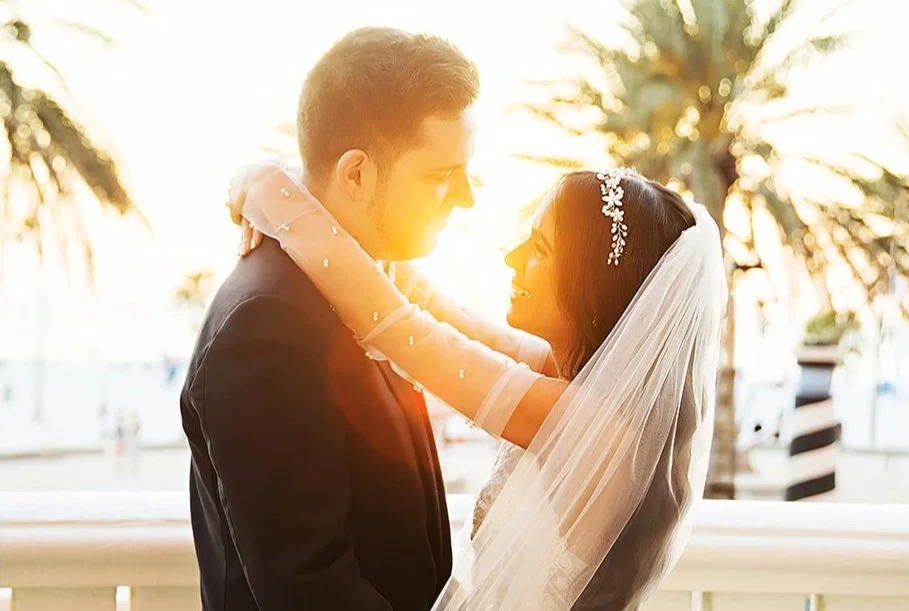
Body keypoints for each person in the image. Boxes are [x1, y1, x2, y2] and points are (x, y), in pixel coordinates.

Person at [228, 160, 726, 609]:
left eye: (540, 248)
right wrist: (321, 192)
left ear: (590, 286)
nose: (512, 257)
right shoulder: (569, 377)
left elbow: (406, 331)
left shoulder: (593, 427)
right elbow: (439, 311)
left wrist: (264, 184)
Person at [180, 27, 478, 610]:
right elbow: (308, 587)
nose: (465, 197)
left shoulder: (364, 289)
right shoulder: (268, 326)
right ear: (356, 175)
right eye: (440, 176)